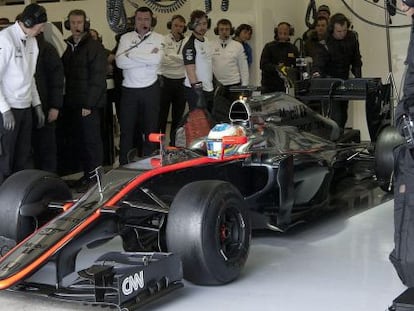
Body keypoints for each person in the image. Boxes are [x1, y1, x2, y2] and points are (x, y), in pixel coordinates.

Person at [60, 9, 106, 190]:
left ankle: (95, 179)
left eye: (79, 22)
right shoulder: (70, 47)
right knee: (81, 142)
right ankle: (88, 176)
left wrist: (89, 103)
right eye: (73, 22)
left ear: (85, 23)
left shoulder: (93, 47)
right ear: (68, 24)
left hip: (88, 105)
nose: (76, 26)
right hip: (74, 103)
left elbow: (97, 78)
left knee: (91, 143)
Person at [0, 3, 46, 184]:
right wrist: (4, 109)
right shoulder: (5, 39)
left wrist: (37, 104)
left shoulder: (32, 41)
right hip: (8, 110)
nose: (41, 30)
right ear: (28, 22)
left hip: (25, 108)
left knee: (24, 157)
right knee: (5, 158)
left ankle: (19, 197)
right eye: (40, 26)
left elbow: (30, 76)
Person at [115, 6, 164, 163]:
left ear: (151, 21)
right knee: (127, 130)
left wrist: (131, 53)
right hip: (129, 89)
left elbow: (156, 60)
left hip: (151, 88)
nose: (143, 22)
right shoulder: (125, 38)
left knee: (151, 129)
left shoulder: (159, 38)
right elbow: (120, 61)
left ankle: (150, 163)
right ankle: (124, 163)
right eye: (139, 19)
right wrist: (145, 58)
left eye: (146, 19)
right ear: (134, 21)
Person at [311, 13, 362, 130]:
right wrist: (316, 73)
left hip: (344, 80)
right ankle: (334, 140)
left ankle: (340, 139)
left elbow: (356, 60)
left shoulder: (352, 38)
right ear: (332, 29)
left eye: (344, 30)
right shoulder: (325, 43)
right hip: (329, 82)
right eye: (339, 31)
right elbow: (319, 62)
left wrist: (359, 79)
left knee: (343, 114)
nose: (342, 33)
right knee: (335, 116)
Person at [32, 32, 64, 173]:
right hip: (26, 107)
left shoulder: (47, 49)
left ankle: (49, 182)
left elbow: (57, 80)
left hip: (45, 105)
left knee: (47, 148)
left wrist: (55, 106)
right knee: (30, 150)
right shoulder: (19, 47)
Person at [211, 18, 249, 121]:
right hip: (218, 86)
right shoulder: (210, 45)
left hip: (234, 85)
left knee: (235, 114)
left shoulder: (238, 46)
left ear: (231, 30)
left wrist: (244, 87)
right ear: (217, 30)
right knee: (218, 114)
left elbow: (243, 67)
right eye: (221, 29)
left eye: (227, 29)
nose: (224, 32)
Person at [159, 15, 187, 146]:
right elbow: (162, 59)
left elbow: (186, 59)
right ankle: (159, 143)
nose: (178, 28)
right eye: (176, 25)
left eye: (181, 26)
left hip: (181, 81)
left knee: (178, 116)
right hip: (165, 81)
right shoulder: (163, 39)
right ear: (171, 25)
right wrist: (178, 59)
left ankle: (173, 143)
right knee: (162, 115)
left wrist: (170, 56)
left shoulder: (187, 41)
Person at [182, 10, 214, 112]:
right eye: (198, 24)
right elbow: (190, 71)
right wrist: (198, 93)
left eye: (204, 24)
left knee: (209, 122)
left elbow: (208, 64)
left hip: (208, 88)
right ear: (192, 25)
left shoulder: (207, 41)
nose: (202, 27)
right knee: (199, 124)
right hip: (196, 91)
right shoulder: (190, 45)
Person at [260, 22, 299, 94]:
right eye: (281, 30)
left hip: (286, 87)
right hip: (270, 86)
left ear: (289, 32)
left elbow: (297, 66)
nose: (283, 32)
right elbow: (263, 65)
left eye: (286, 30)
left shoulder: (293, 48)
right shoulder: (269, 47)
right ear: (277, 31)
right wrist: (277, 68)